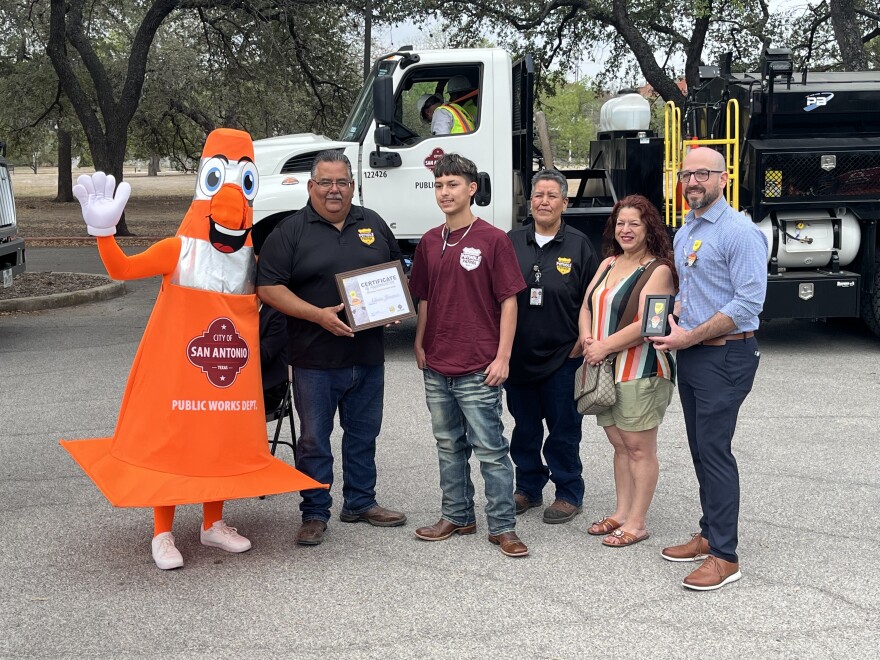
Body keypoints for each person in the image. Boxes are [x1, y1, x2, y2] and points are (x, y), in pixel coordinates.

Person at [60, 129, 323, 571]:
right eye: (219, 180)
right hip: (176, 376)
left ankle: (212, 523)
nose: (232, 201)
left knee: (217, 444)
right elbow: (123, 269)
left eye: (245, 184)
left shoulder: (250, 261)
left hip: (226, 381)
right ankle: (162, 532)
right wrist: (103, 231)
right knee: (171, 445)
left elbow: (277, 293)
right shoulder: (178, 250)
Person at [256, 150, 406, 547]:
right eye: (325, 182)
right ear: (311, 186)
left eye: (342, 182)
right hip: (314, 360)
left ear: (352, 186)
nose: (334, 190)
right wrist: (316, 315)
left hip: (368, 358)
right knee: (313, 440)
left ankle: (360, 502)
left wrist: (393, 307)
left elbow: (396, 272)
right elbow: (268, 288)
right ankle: (314, 512)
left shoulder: (371, 222)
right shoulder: (290, 231)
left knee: (363, 435)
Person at [651, 146, 767, 591]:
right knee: (701, 450)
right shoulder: (687, 231)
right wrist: (678, 312)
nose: (692, 182)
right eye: (686, 175)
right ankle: (708, 532)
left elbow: (747, 305)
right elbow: (697, 290)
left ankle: (725, 557)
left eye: (702, 173)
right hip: (695, 352)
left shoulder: (740, 232)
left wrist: (688, 336)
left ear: (724, 178)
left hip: (726, 354)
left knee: (715, 452)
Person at [409, 153, 529, 558]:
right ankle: (457, 514)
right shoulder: (429, 241)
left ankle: (503, 527)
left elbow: (509, 302)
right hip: (437, 363)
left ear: (471, 188)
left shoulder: (493, 239)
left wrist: (503, 357)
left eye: (453, 184)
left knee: (491, 449)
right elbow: (423, 297)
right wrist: (420, 342)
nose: (444, 192)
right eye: (439, 185)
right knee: (448, 445)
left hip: (479, 364)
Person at [579, 195, 677, 549]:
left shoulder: (659, 270)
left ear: (649, 227)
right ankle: (621, 513)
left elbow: (648, 324)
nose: (626, 229)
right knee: (619, 445)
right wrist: (588, 340)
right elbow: (587, 305)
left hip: (642, 370)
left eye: (634, 223)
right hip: (605, 369)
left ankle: (638, 522)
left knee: (639, 448)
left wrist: (604, 346)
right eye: (621, 223)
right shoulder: (607, 263)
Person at [505, 170, 598, 524]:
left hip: (564, 359)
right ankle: (527, 488)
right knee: (524, 429)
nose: (543, 202)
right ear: (531, 202)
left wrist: (580, 345)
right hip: (520, 359)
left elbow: (592, 301)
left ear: (565, 202)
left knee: (563, 431)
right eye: (538, 195)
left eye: (551, 196)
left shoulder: (579, 245)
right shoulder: (511, 242)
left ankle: (568, 492)